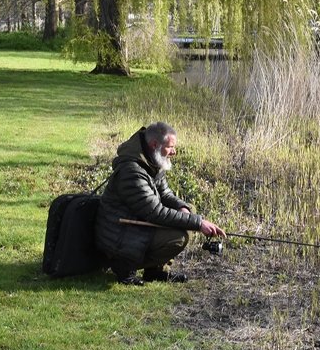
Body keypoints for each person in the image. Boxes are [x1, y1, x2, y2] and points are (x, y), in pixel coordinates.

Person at [95, 121, 226, 286]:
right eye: (170, 147)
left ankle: (155, 271)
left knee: (189, 210)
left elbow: (164, 194)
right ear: (155, 144)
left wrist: (183, 209)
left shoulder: (151, 159)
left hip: (138, 225)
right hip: (120, 236)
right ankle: (124, 267)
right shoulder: (132, 171)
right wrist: (198, 223)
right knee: (179, 237)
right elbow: (156, 213)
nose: (174, 152)